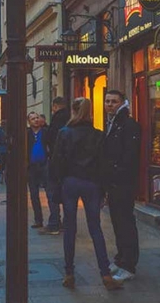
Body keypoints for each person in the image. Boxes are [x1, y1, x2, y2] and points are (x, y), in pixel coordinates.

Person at [52, 98, 124, 291]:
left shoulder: (64, 133)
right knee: (95, 228)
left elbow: (57, 161)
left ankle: (69, 272)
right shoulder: (98, 135)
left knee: (70, 227)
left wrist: (58, 185)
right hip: (91, 183)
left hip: (71, 181)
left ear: (73, 111)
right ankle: (105, 273)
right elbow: (104, 164)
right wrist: (103, 189)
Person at [101, 90, 141, 281]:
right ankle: (120, 258)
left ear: (122, 103)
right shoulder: (113, 123)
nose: (109, 104)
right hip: (114, 182)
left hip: (124, 182)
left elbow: (129, 156)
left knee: (125, 222)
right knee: (117, 222)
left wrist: (117, 174)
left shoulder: (128, 125)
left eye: (114, 101)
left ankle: (129, 264)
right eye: (107, 101)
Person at [39, 97, 69, 236]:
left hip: (56, 162)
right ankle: (67, 222)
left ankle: (54, 223)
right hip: (68, 163)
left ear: (55, 106)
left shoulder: (57, 119)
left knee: (52, 192)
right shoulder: (71, 118)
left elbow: (51, 138)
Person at [27, 112, 58, 230]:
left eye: (37, 118)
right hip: (32, 167)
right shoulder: (27, 134)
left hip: (45, 165)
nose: (35, 120)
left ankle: (54, 219)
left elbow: (52, 146)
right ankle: (38, 219)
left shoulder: (46, 132)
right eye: (32, 119)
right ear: (29, 122)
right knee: (34, 195)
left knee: (50, 193)